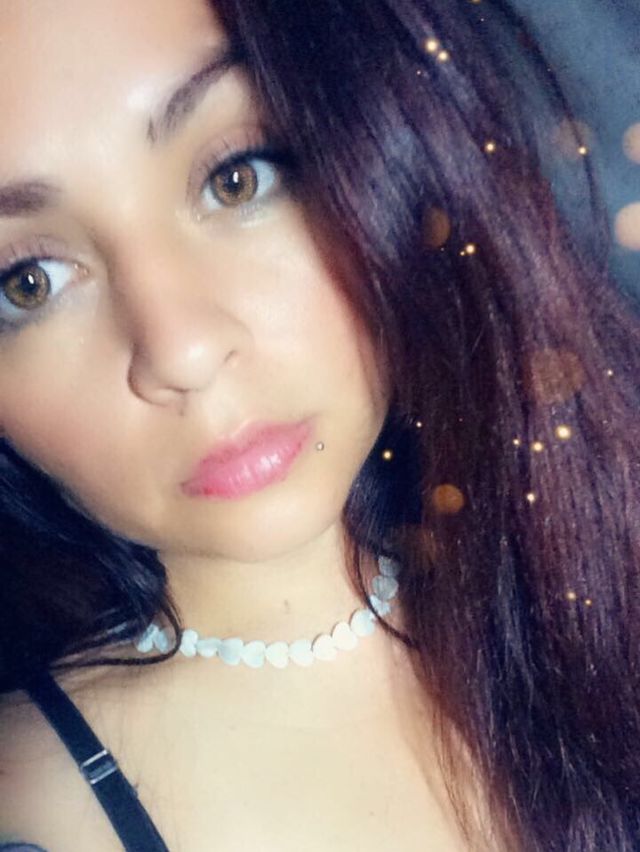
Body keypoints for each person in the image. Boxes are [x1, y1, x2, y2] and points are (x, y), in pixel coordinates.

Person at [0, 0, 638, 849]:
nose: (183, 350)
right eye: (29, 283)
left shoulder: (587, 567)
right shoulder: (34, 807)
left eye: (238, 177)